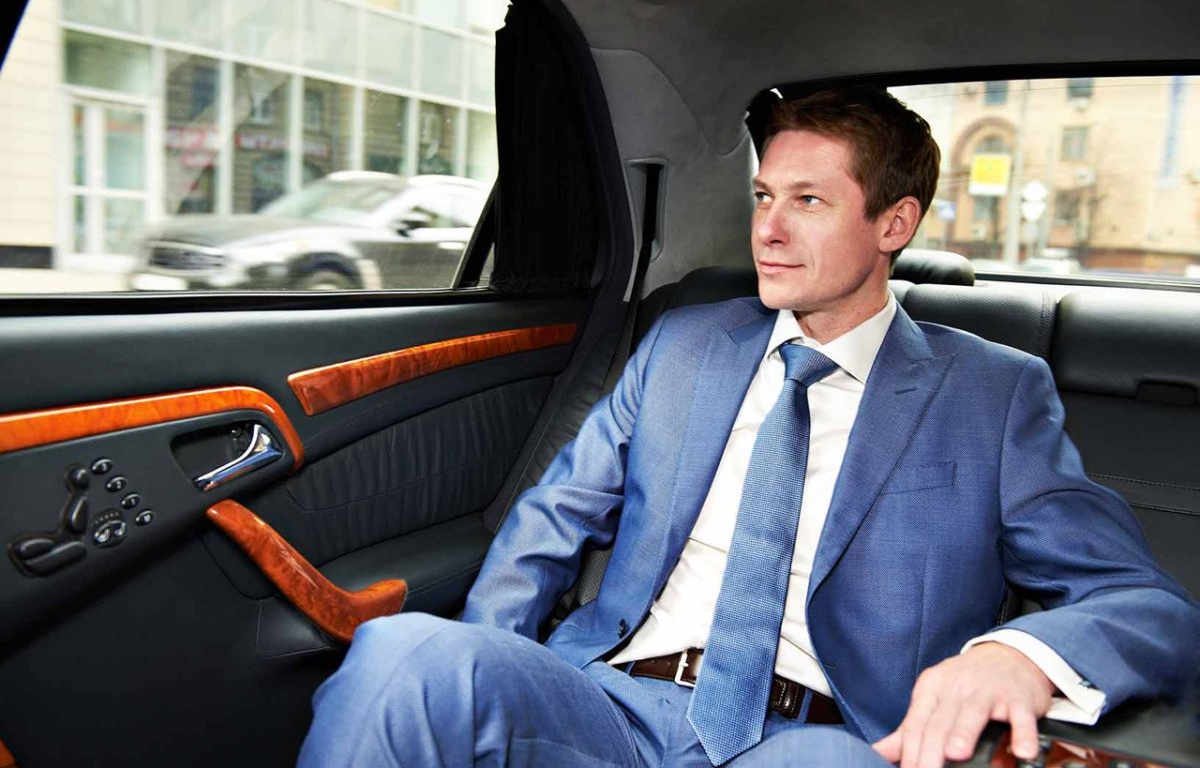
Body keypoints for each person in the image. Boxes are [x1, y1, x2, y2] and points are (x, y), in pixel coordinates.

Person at [298, 86, 1198, 768]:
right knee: (405, 652)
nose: (768, 228)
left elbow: (1145, 604)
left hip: (817, 735)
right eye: (764, 196)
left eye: (808, 201)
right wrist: (494, 645)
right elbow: (554, 517)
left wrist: (1017, 656)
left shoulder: (992, 394)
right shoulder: (683, 343)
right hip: (608, 702)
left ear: (894, 222)